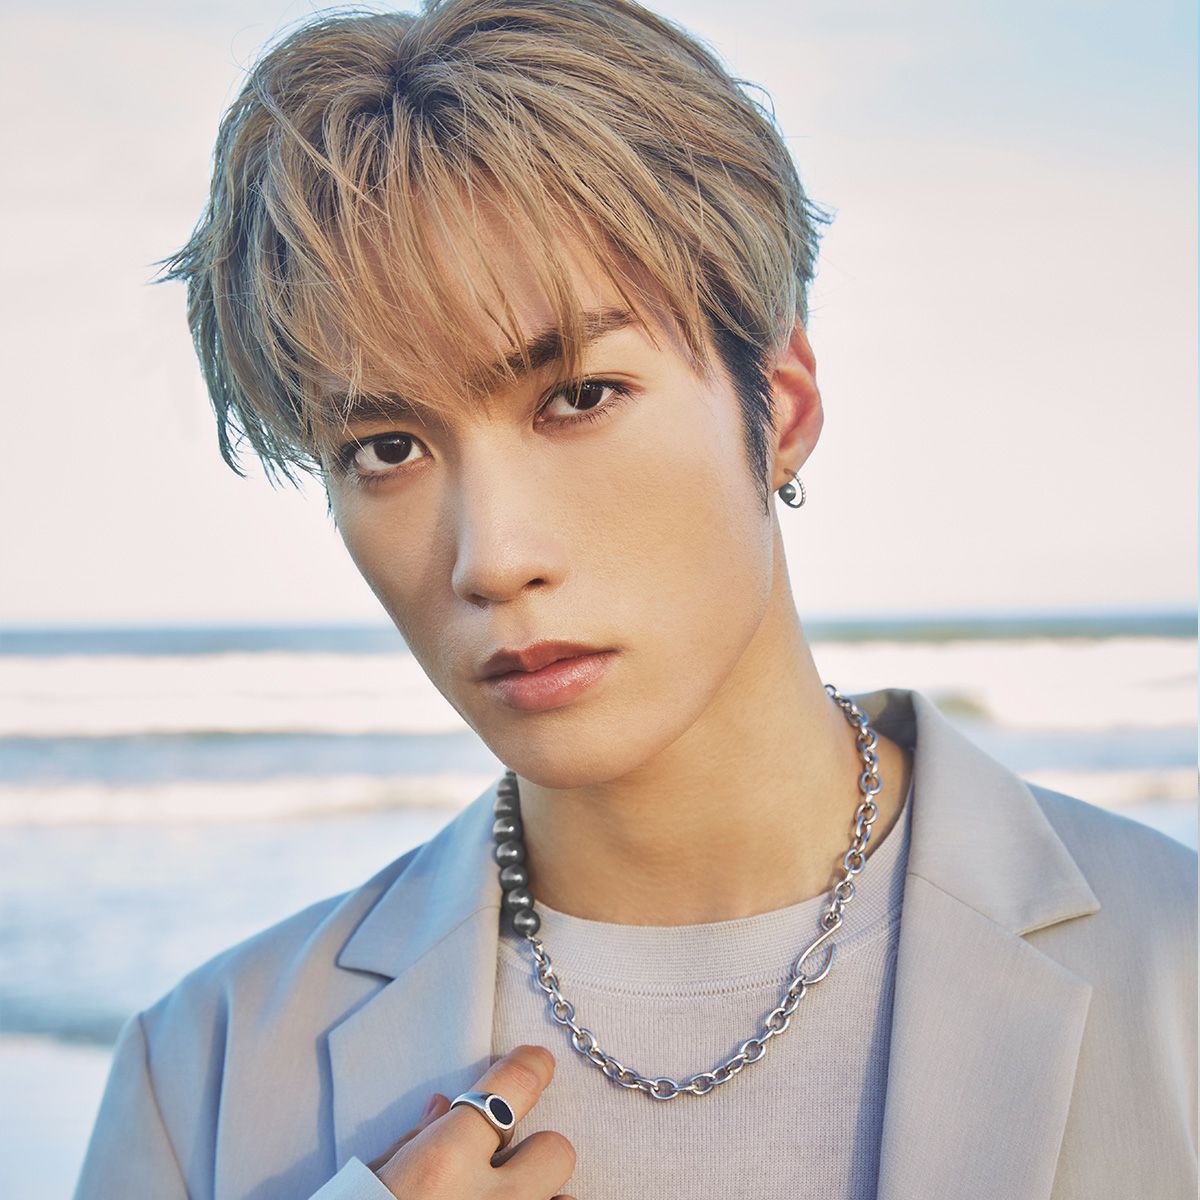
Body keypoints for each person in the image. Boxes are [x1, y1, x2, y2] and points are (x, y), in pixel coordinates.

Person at [73, 1, 1196, 1197]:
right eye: (387, 448)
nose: (492, 558)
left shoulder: (1174, 967)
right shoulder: (199, 1077)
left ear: (780, 407)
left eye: (578, 397)